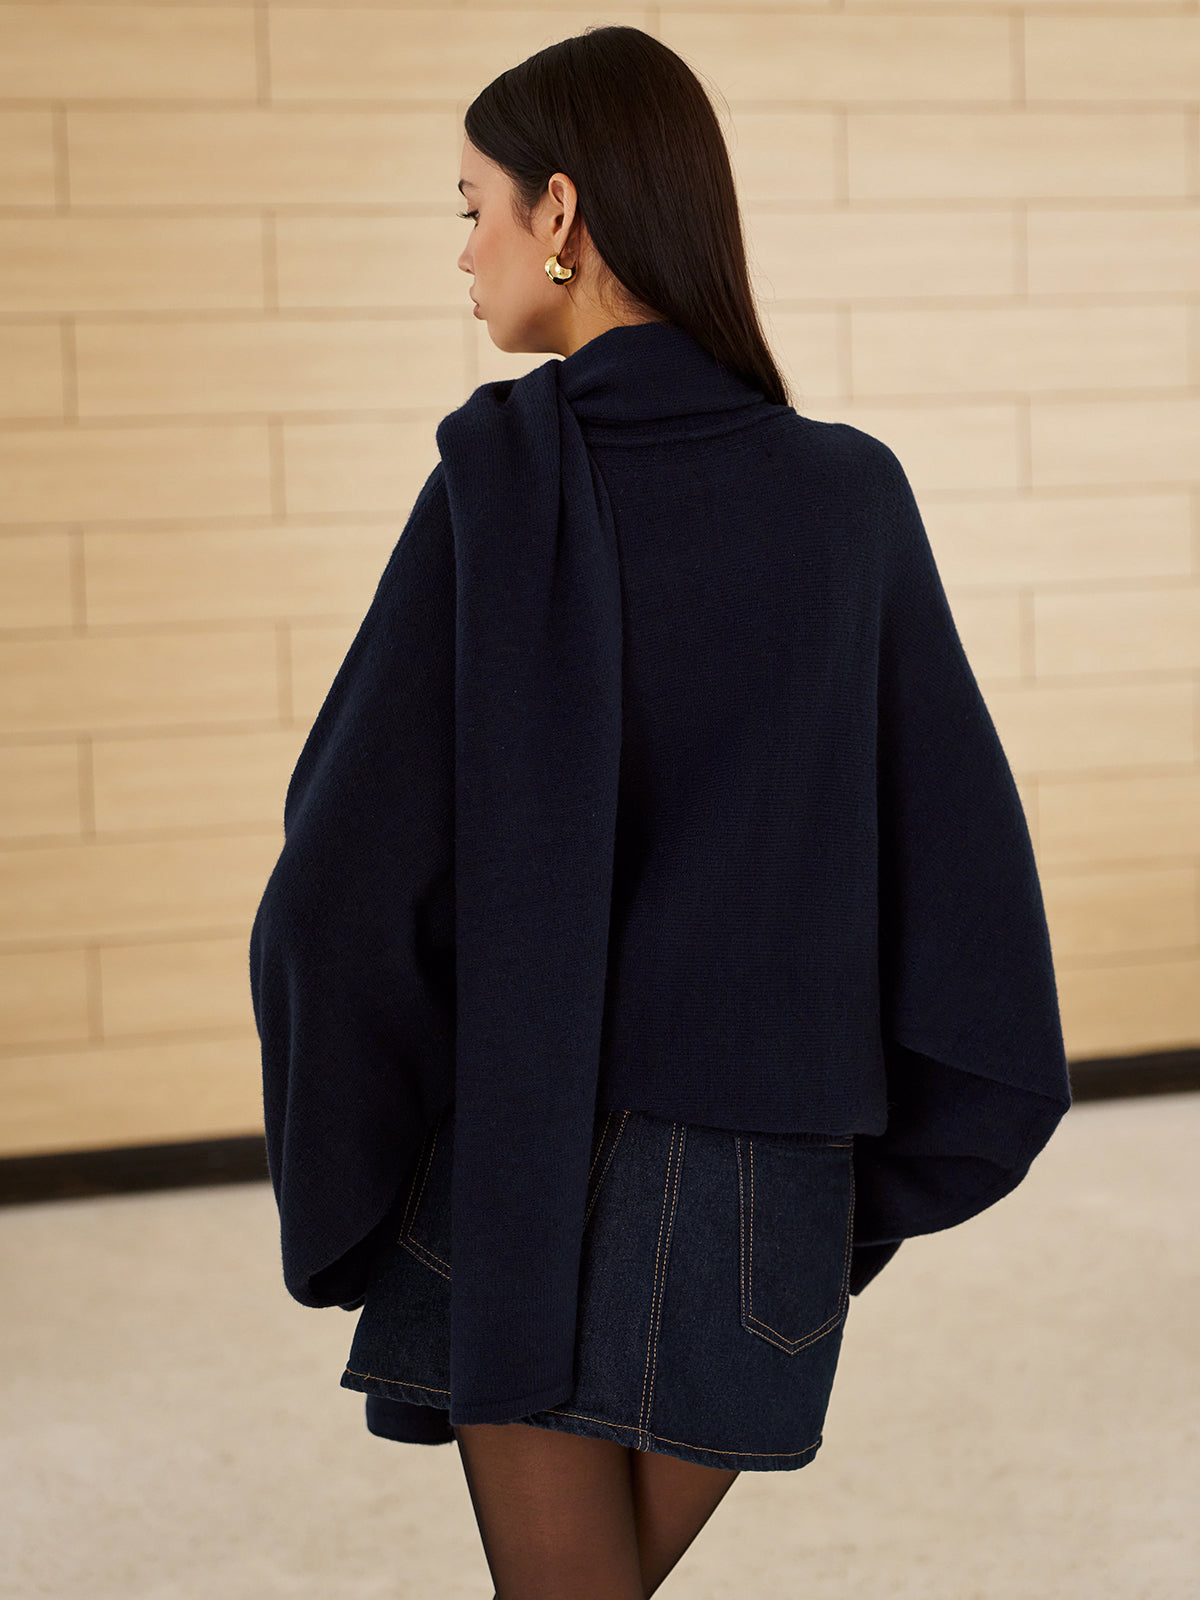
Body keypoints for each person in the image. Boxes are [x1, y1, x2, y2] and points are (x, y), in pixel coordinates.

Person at [248, 25, 1071, 1600]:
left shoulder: (494, 491)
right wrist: (846, 1183)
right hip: (768, 1186)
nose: (464, 251)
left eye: (474, 206)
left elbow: (337, 893)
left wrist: (352, 1173)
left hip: (521, 1159)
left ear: (559, 210)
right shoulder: (850, 497)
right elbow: (961, 880)